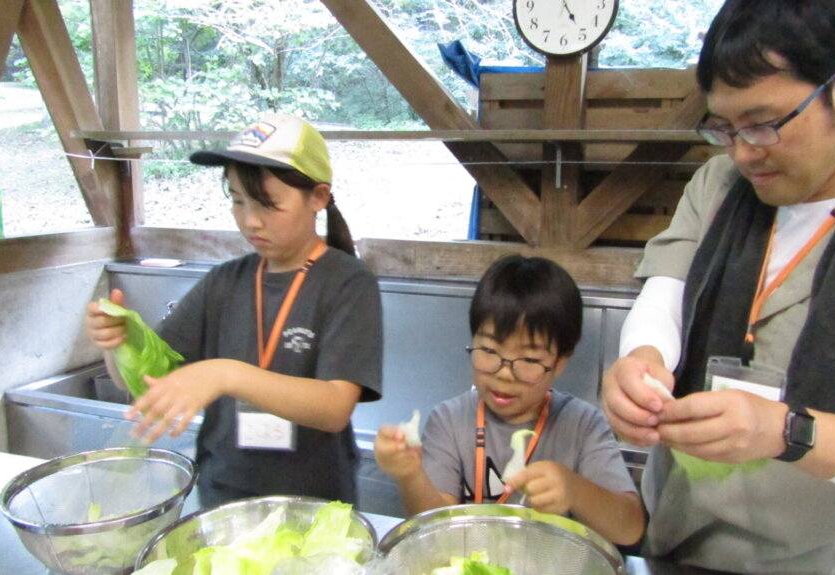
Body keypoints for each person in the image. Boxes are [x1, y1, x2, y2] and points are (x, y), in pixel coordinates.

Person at [601, 0, 835, 572]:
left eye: (764, 124)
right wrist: (643, 358)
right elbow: (665, 291)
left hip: (810, 559)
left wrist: (788, 432)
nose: (742, 152)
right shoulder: (720, 185)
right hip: (673, 536)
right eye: (725, 128)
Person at [84, 113, 383, 508]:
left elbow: (334, 407)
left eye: (268, 204)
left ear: (318, 197)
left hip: (314, 503)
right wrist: (118, 344)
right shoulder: (224, 282)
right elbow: (150, 379)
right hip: (224, 497)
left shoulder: (347, 282)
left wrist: (227, 374)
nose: (250, 220)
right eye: (238, 201)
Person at [376, 254, 645, 546]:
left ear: (560, 361)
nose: (504, 374)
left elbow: (629, 529)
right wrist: (410, 475)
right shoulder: (450, 421)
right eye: (489, 351)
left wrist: (575, 490)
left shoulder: (583, 426)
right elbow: (434, 531)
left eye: (529, 359)